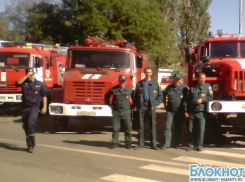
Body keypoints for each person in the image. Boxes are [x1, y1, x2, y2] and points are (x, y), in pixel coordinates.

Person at [16, 68, 47, 153]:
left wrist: (44, 107)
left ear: (34, 74)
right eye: (29, 74)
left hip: (34, 107)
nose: (31, 76)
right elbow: (17, 83)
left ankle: (32, 144)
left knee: (31, 123)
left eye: (32, 74)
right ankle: (29, 144)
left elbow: (44, 95)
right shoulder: (24, 83)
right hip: (25, 107)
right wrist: (26, 76)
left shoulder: (40, 84)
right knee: (26, 127)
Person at [134, 67, 163, 150]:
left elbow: (160, 96)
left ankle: (153, 144)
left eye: (149, 72)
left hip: (151, 106)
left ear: (151, 73)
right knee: (140, 126)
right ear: (144, 73)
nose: (148, 74)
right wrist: (137, 105)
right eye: (146, 72)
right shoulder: (139, 83)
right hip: (142, 106)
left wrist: (155, 103)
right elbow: (135, 96)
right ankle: (140, 144)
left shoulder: (155, 83)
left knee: (152, 126)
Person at [184, 73, 213, 152]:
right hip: (192, 112)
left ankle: (199, 145)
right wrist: (186, 110)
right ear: (197, 78)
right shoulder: (192, 88)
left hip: (201, 112)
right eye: (201, 78)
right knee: (191, 129)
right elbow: (186, 100)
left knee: (201, 130)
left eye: (204, 78)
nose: (203, 80)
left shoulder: (207, 87)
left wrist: (202, 100)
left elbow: (210, 97)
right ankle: (191, 145)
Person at [161, 73, 188, 150]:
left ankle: (176, 144)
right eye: (176, 79)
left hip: (180, 111)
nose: (177, 81)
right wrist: (165, 105)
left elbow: (187, 99)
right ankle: (166, 144)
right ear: (173, 79)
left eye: (178, 79)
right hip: (170, 110)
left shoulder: (185, 88)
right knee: (167, 127)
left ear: (181, 80)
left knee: (178, 128)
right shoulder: (169, 87)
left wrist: (186, 110)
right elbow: (164, 95)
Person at [105, 75, 133, 149]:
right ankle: (115, 143)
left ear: (126, 81)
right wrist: (109, 105)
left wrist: (132, 107)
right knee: (115, 128)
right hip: (116, 112)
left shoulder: (129, 90)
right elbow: (106, 96)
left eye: (123, 81)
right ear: (118, 81)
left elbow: (135, 98)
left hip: (126, 111)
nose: (122, 83)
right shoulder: (114, 89)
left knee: (128, 128)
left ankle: (128, 143)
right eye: (121, 81)